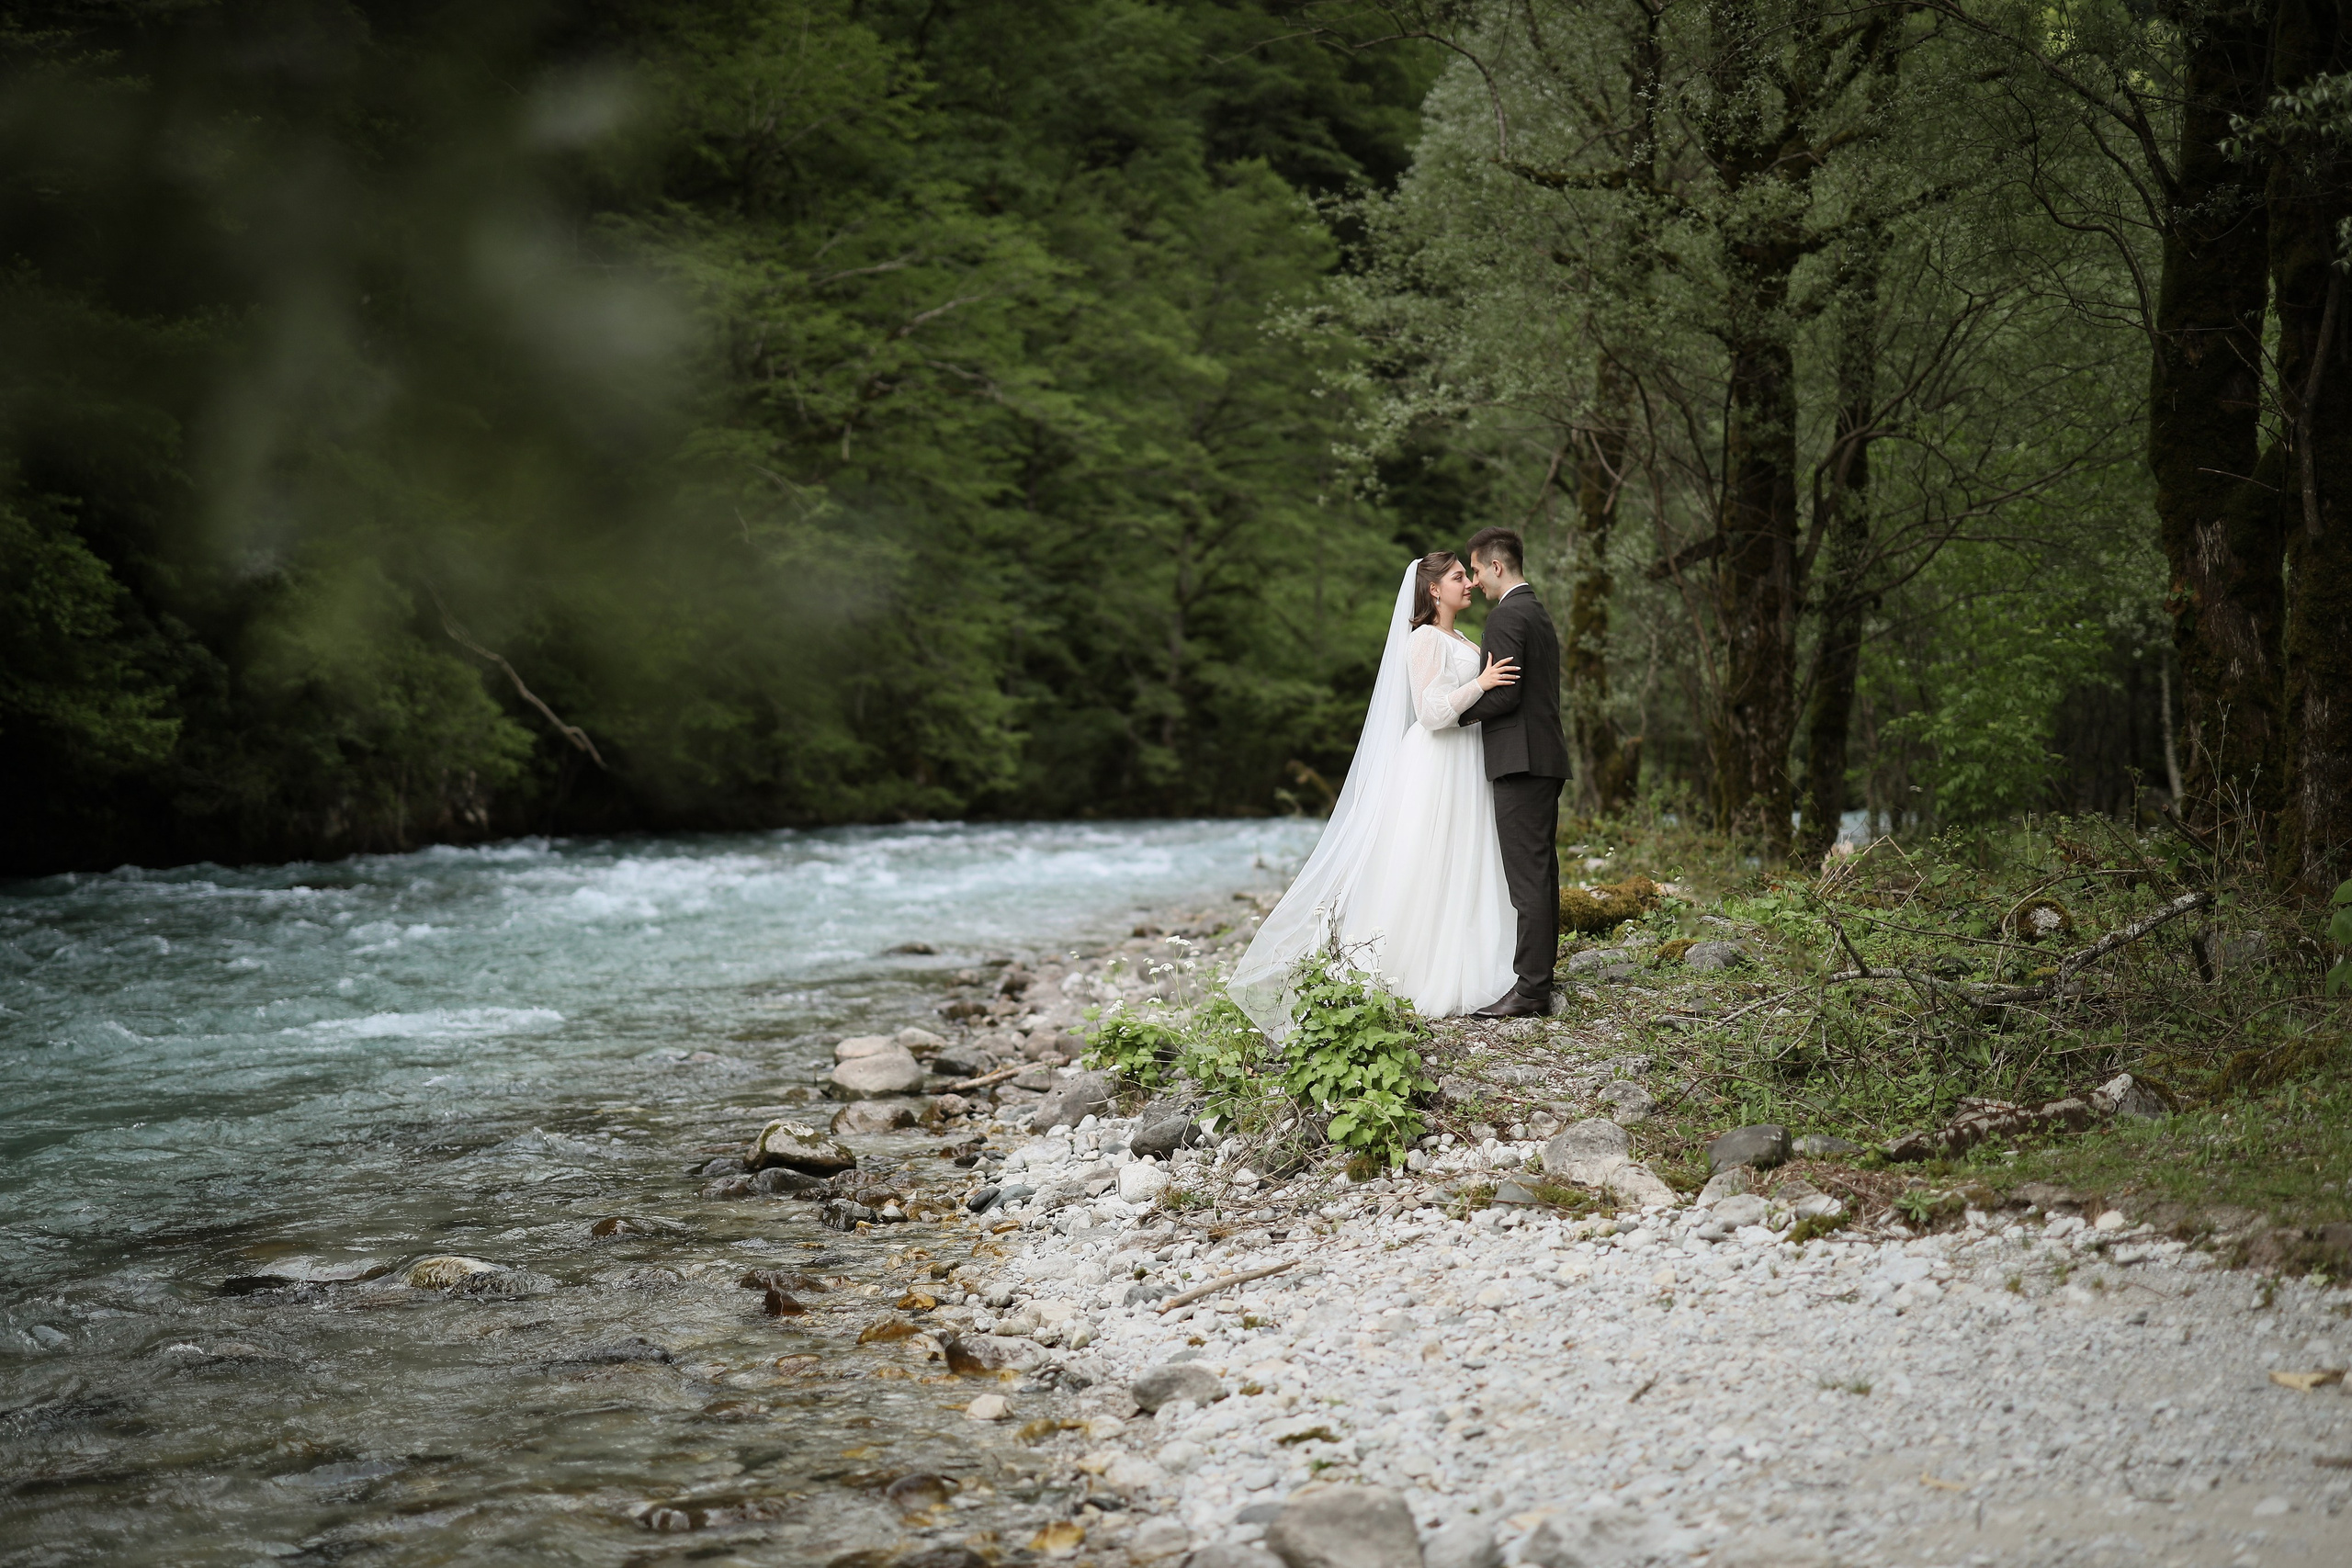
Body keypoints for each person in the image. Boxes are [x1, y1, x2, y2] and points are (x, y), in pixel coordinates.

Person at [1229, 551, 1521, 1032]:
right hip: (1437, 760)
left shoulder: (1463, 638)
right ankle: (1413, 968)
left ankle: (1470, 957)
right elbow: (1430, 712)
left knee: (1465, 855)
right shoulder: (1423, 639)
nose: (1468, 583)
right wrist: (1483, 683)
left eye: (1466, 576)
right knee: (1426, 858)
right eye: (1457, 577)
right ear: (1434, 590)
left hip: (1466, 757)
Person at [1458, 525, 1569, 1018]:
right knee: (1540, 873)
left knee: (1527, 879)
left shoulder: (1506, 616)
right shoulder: (1535, 611)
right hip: (1542, 757)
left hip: (1520, 760)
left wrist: (1454, 711)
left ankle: (1530, 990)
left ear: (1496, 566)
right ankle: (1538, 979)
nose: (1474, 581)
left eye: (1476, 570)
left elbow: (1505, 695)